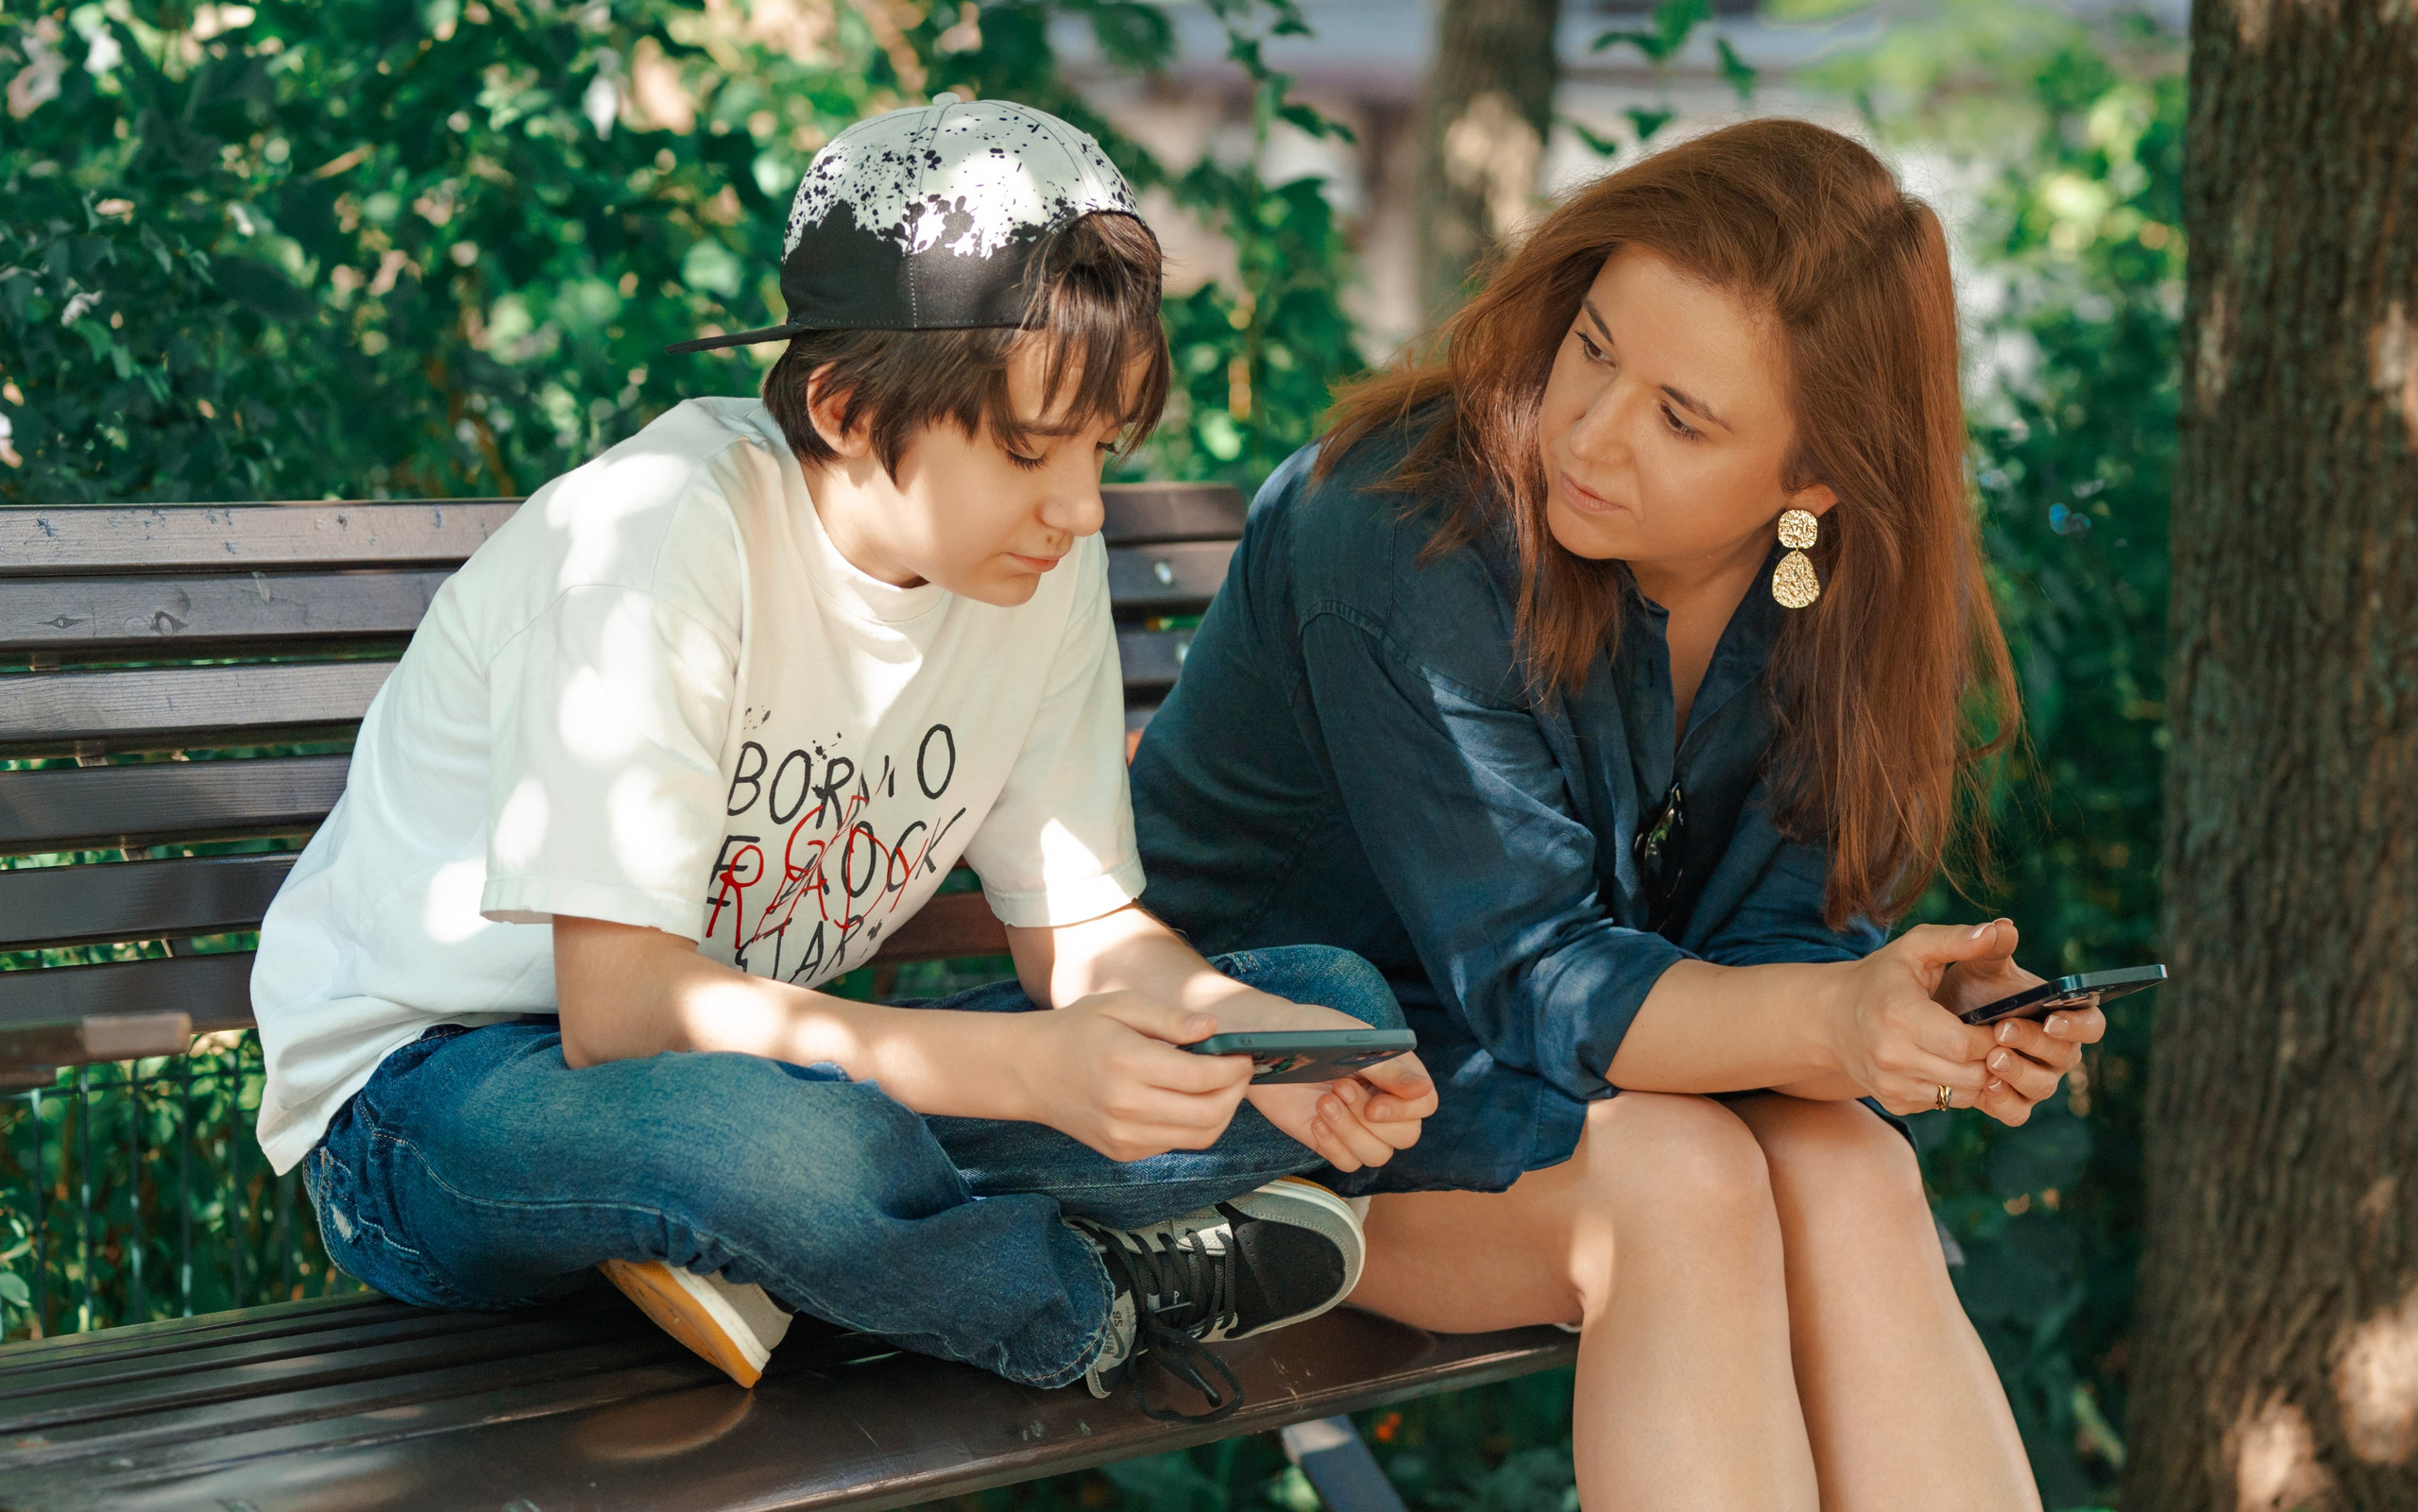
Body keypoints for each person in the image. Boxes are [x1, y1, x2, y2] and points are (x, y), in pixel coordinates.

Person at [250, 95, 1435, 1414]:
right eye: (1033, 448)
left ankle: (777, 1260)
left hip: (783, 1077)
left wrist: (1246, 1035)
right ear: (847, 405)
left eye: (1103, 447)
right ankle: (1084, 1299)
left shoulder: (1037, 564)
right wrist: (1031, 1073)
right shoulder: (661, 538)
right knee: (783, 1146)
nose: (1081, 504)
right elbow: (627, 1013)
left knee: (1314, 997)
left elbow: (1087, 937)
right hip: (443, 1106)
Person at [1130, 118, 2103, 1506]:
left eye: (1681, 416)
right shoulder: (1407, 524)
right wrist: (1833, 1023)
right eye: (1592, 347)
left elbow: (1775, 953)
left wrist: (1915, 1021)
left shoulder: (1823, 602)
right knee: (1685, 1185)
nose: (1587, 434)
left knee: (1849, 1169)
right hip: (1278, 1103)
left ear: (1813, 481)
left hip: (1568, 1094)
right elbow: (1537, 975)